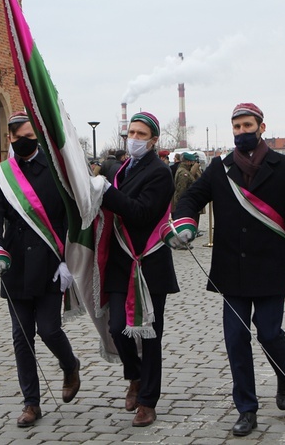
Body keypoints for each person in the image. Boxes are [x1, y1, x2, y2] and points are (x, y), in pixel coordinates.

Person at [172, 103, 285, 437]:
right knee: (236, 339)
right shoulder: (220, 168)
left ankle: (284, 377)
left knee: (269, 333)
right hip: (231, 269)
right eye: (236, 127)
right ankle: (246, 408)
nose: (241, 132)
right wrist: (186, 222)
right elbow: (191, 198)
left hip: (271, 267)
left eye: (247, 126)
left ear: (261, 128)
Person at [0, 111, 80, 427]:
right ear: (9, 138)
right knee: (22, 336)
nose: (22, 141)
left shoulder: (54, 170)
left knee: (49, 328)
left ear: (36, 135)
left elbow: (69, 216)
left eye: (27, 135)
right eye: (16, 137)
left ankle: (70, 364)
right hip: (15, 263)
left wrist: (68, 259)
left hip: (51, 261)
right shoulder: (1, 174)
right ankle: (31, 403)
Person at [100, 111, 179, 427]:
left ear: (154, 139)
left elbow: (143, 213)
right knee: (117, 327)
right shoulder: (122, 170)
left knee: (150, 335)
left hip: (150, 263)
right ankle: (133, 374)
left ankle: (148, 401)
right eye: (130, 133)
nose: (133, 138)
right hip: (122, 263)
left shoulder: (160, 173)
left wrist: (107, 194)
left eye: (140, 134)